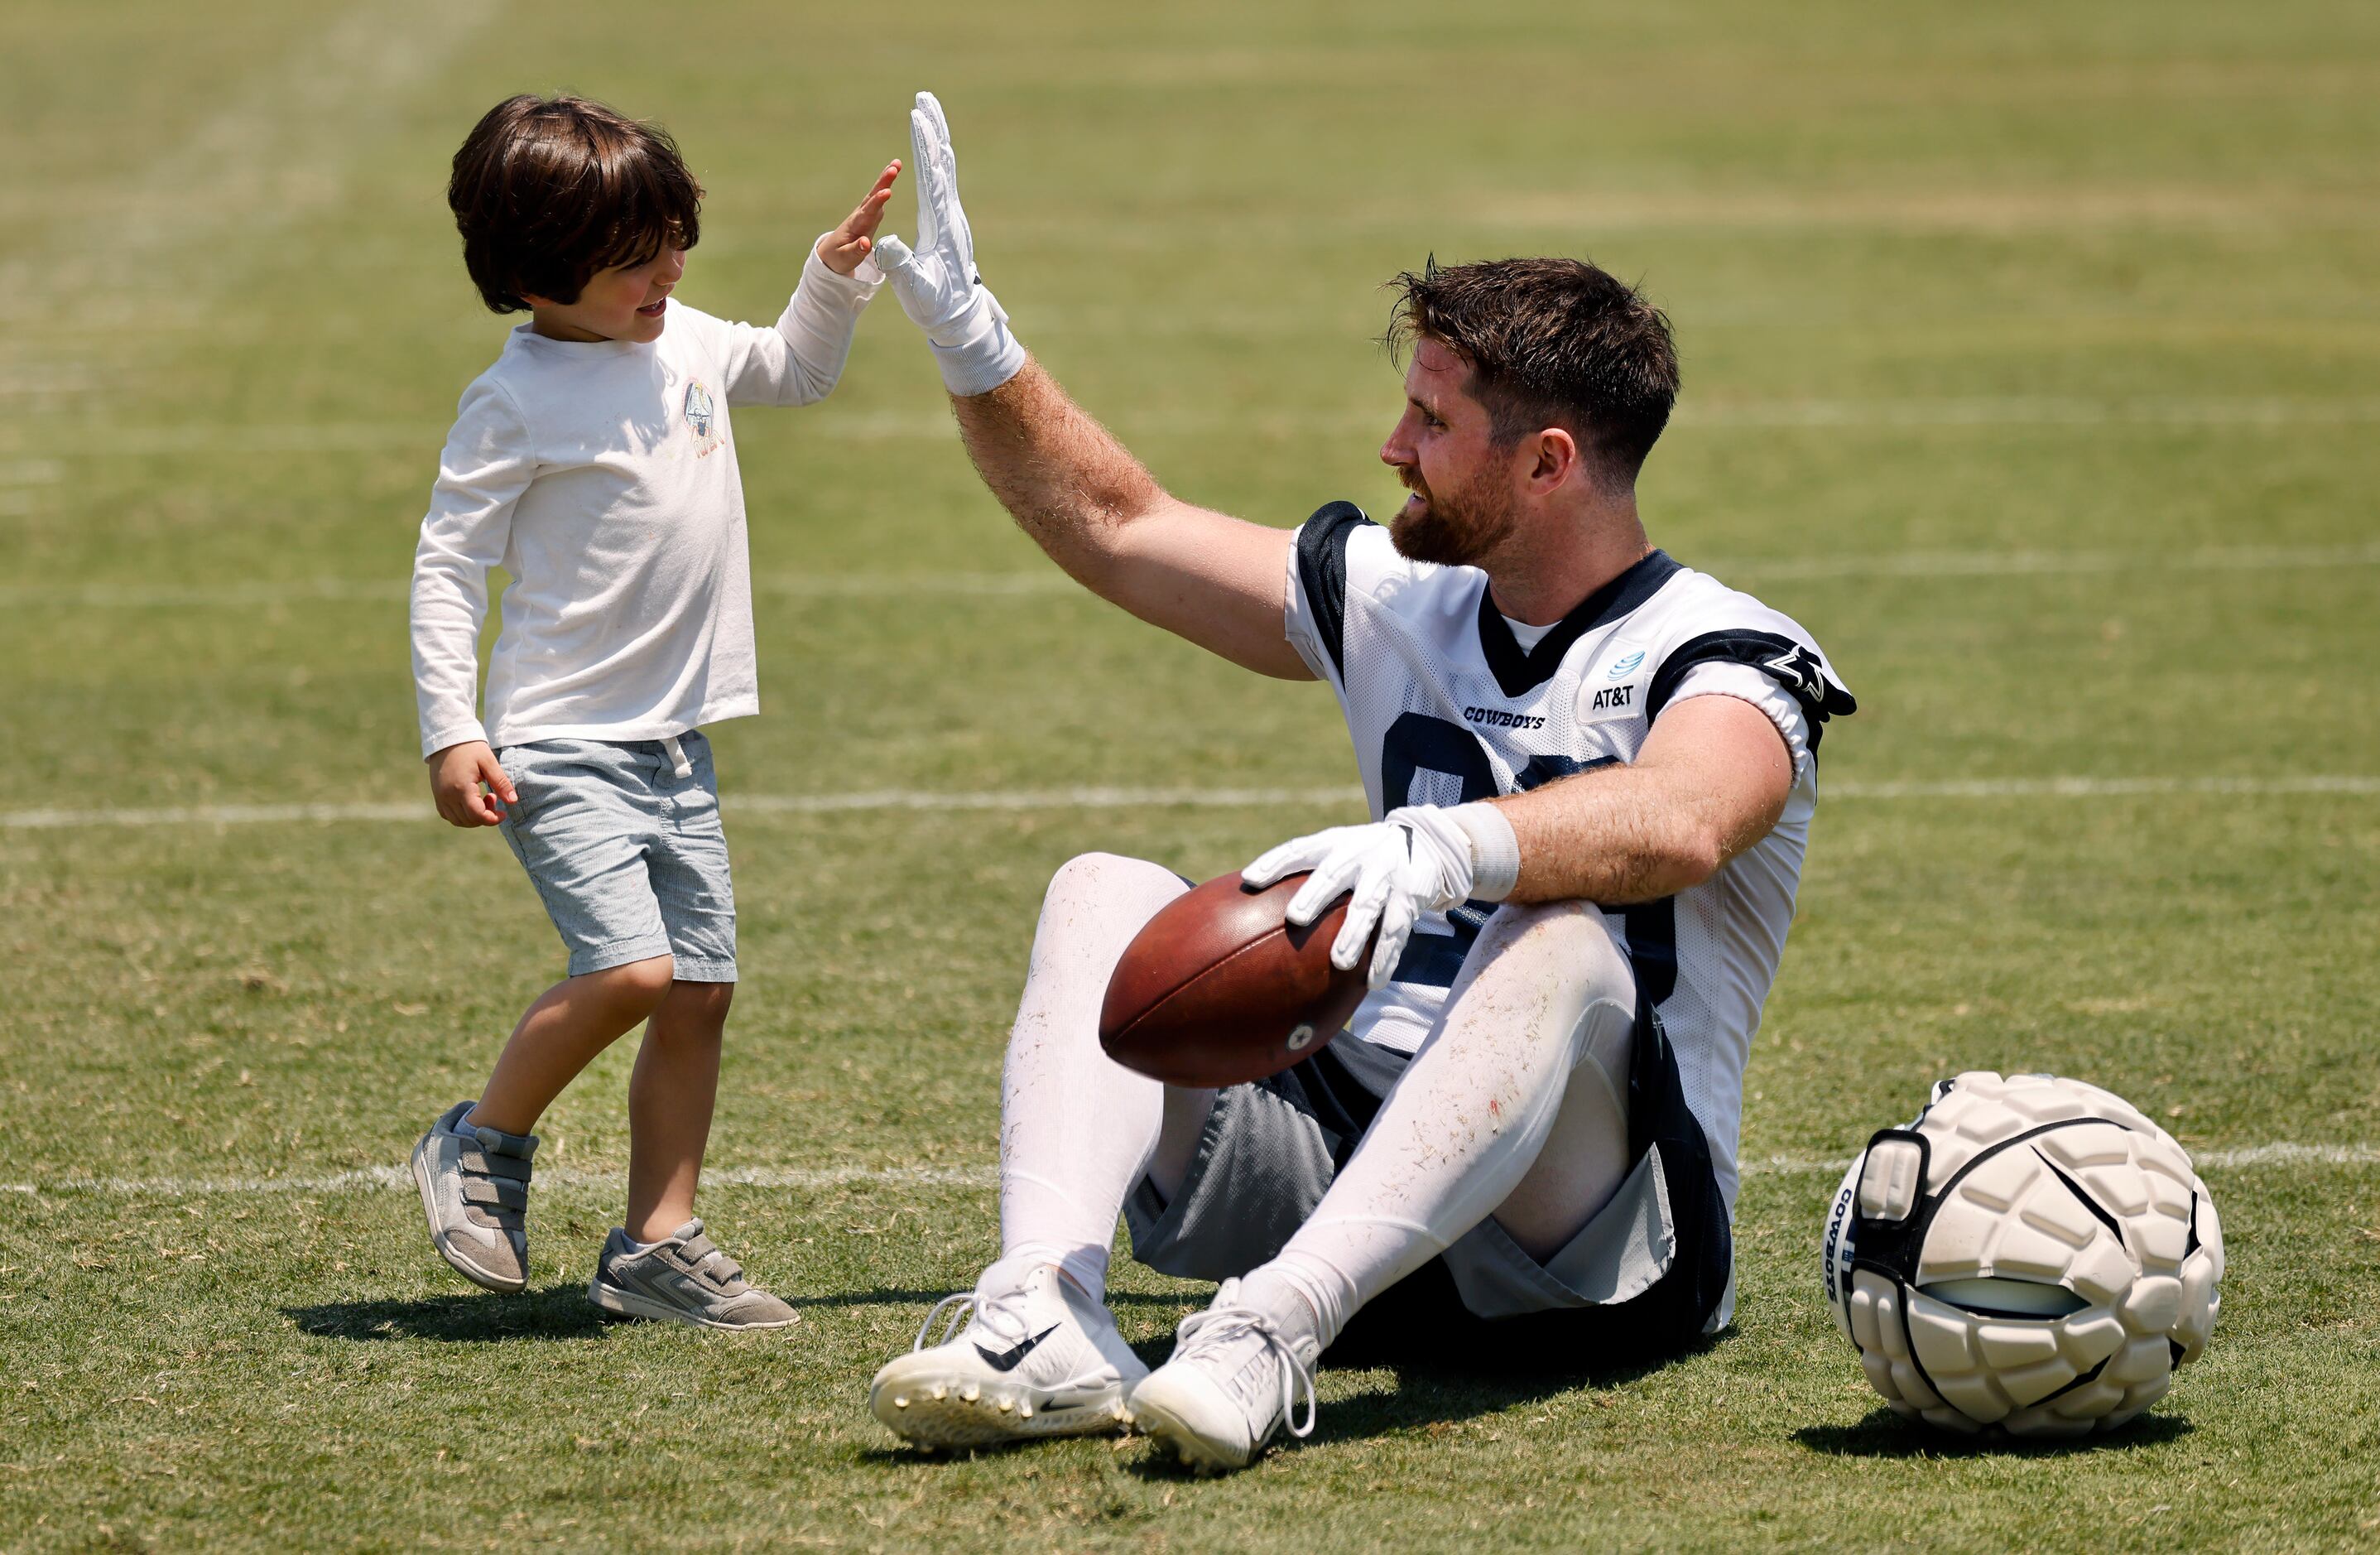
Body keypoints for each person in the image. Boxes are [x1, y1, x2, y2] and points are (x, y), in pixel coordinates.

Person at [863, 94, 1856, 1467]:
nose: (1393, 447)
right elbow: (1121, 528)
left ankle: (1269, 1330)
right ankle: (1044, 1310)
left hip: (1584, 1236)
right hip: (1348, 1154)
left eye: (1433, 421)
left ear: (1549, 462)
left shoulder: (1727, 650)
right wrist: (979, 349)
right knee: (1103, 890)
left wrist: (1450, 849)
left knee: (1562, 943)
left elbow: (1687, 817)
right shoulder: (1404, 593)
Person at [405, 94, 899, 1329]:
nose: (669, 270)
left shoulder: (681, 344)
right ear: (536, 272)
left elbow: (792, 368)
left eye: (676, 239)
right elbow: (447, 568)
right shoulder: (514, 399)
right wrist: (451, 726)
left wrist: (828, 279)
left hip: (676, 744)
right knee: (632, 968)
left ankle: (656, 1241)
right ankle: (478, 1143)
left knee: (699, 994)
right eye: (637, 258)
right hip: (560, 741)